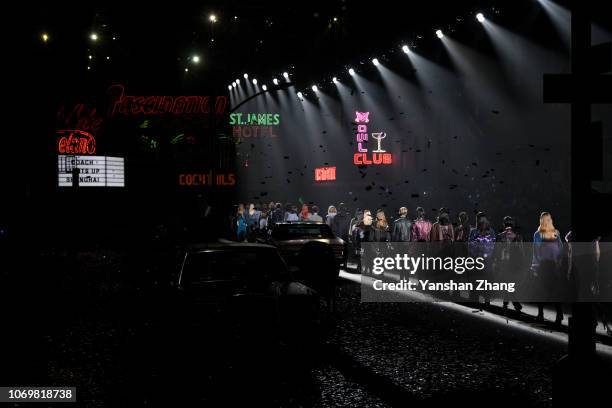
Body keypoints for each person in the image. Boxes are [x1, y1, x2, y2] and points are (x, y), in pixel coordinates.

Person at [531, 211, 564, 324]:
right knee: (551, 290)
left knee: (543, 290)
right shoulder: (554, 233)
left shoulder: (539, 234)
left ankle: (543, 314)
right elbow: (560, 249)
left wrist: (535, 265)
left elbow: (536, 251)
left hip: (545, 265)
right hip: (550, 265)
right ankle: (557, 314)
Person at [492, 216, 525, 313]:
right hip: (506, 263)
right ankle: (512, 303)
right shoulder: (502, 236)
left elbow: (521, 250)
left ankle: (508, 303)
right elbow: (496, 250)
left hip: (510, 263)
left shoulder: (515, 237)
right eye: (508, 224)